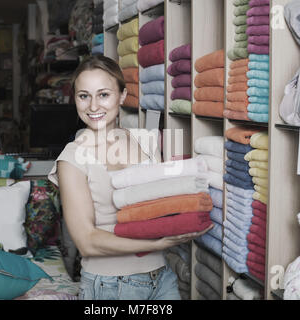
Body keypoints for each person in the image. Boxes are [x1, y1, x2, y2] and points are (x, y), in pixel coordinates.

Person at [48, 55, 213, 300]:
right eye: (84, 96)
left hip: (162, 277)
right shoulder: (71, 159)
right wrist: (157, 244)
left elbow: (161, 205)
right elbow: (87, 242)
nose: (93, 106)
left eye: (104, 94)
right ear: (75, 99)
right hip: (109, 285)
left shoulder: (146, 141)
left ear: (122, 96)